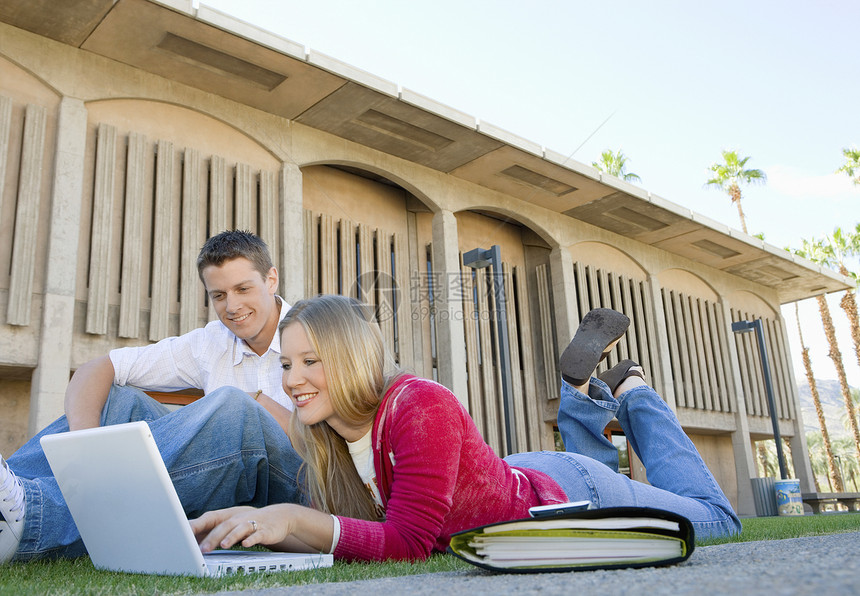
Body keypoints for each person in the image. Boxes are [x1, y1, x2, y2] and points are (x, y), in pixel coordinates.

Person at [189, 296, 741, 562]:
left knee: (717, 519)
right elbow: (350, 532)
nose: (294, 380)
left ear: (354, 358)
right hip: (508, 479)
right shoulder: (322, 436)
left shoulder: (418, 405)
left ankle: (633, 395)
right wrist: (253, 524)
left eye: (312, 361)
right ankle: (584, 394)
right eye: (287, 365)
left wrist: (291, 517)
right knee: (595, 463)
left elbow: (407, 542)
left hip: (564, 494)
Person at [0, 230, 303, 564]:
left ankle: (34, 520)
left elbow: (338, 438)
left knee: (235, 409)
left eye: (243, 289)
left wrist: (255, 401)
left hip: (297, 489)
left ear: (271, 279)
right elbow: (100, 367)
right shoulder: (209, 343)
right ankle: (10, 493)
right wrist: (85, 440)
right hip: (225, 482)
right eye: (219, 295)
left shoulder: (315, 330)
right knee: (121, 401)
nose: (231, 307)